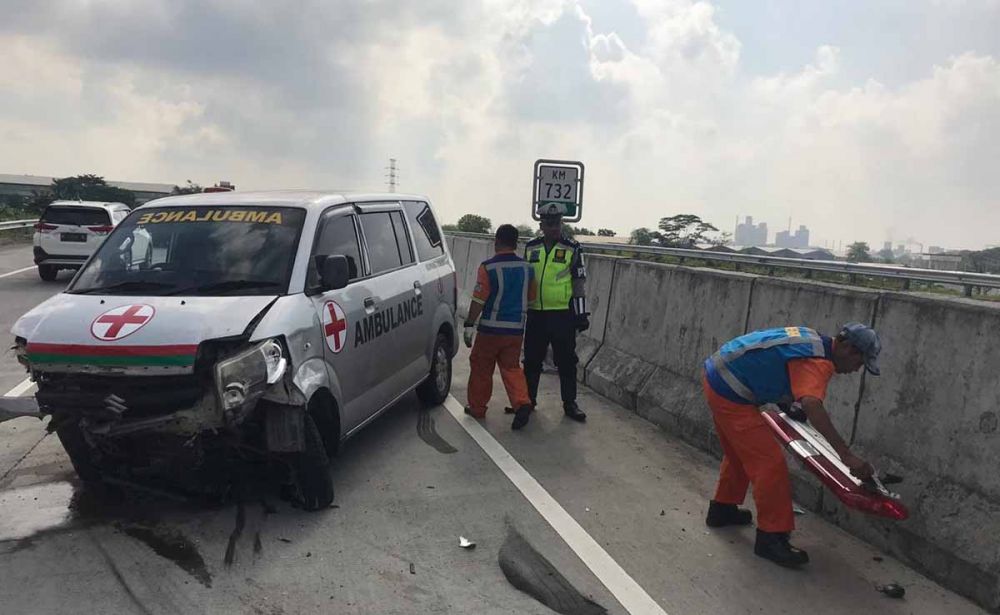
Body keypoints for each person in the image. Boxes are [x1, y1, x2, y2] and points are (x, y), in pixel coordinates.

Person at [702, 323, 881, 567]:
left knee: (740, 454)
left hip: (717, 375)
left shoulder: (811, 338)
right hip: (731, 392)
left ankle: (722, 510)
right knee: (770, 464)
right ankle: (771, 537)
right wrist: (846, 455)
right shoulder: (818, 362)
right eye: (859, 363)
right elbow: (812, 404)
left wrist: (786, 403)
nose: (856, 370)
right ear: (848, 348)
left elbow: (774, 362)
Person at [463, 224, 537, 430]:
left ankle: (477, 408)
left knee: (481, 367)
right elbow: (532, 299)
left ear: (496, 241)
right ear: (516, 243)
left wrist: (469, 323)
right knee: (512, 368)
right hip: (515, 331)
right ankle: (522, 402)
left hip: (490, 330)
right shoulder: (528, 268)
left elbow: (479, 299)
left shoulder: (488, 268)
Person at [522, 203, 588, 423]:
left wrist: (581, 315)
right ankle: (528, 401)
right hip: (536, 314)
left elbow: (578, 283)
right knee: (531, 360)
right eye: (550, 224)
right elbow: (524, 279)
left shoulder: (573, 248)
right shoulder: (531, 247)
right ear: (541, 225)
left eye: (557, 223)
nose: (554, 228)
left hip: (562, 315)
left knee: (567, 361)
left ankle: (570, 403)